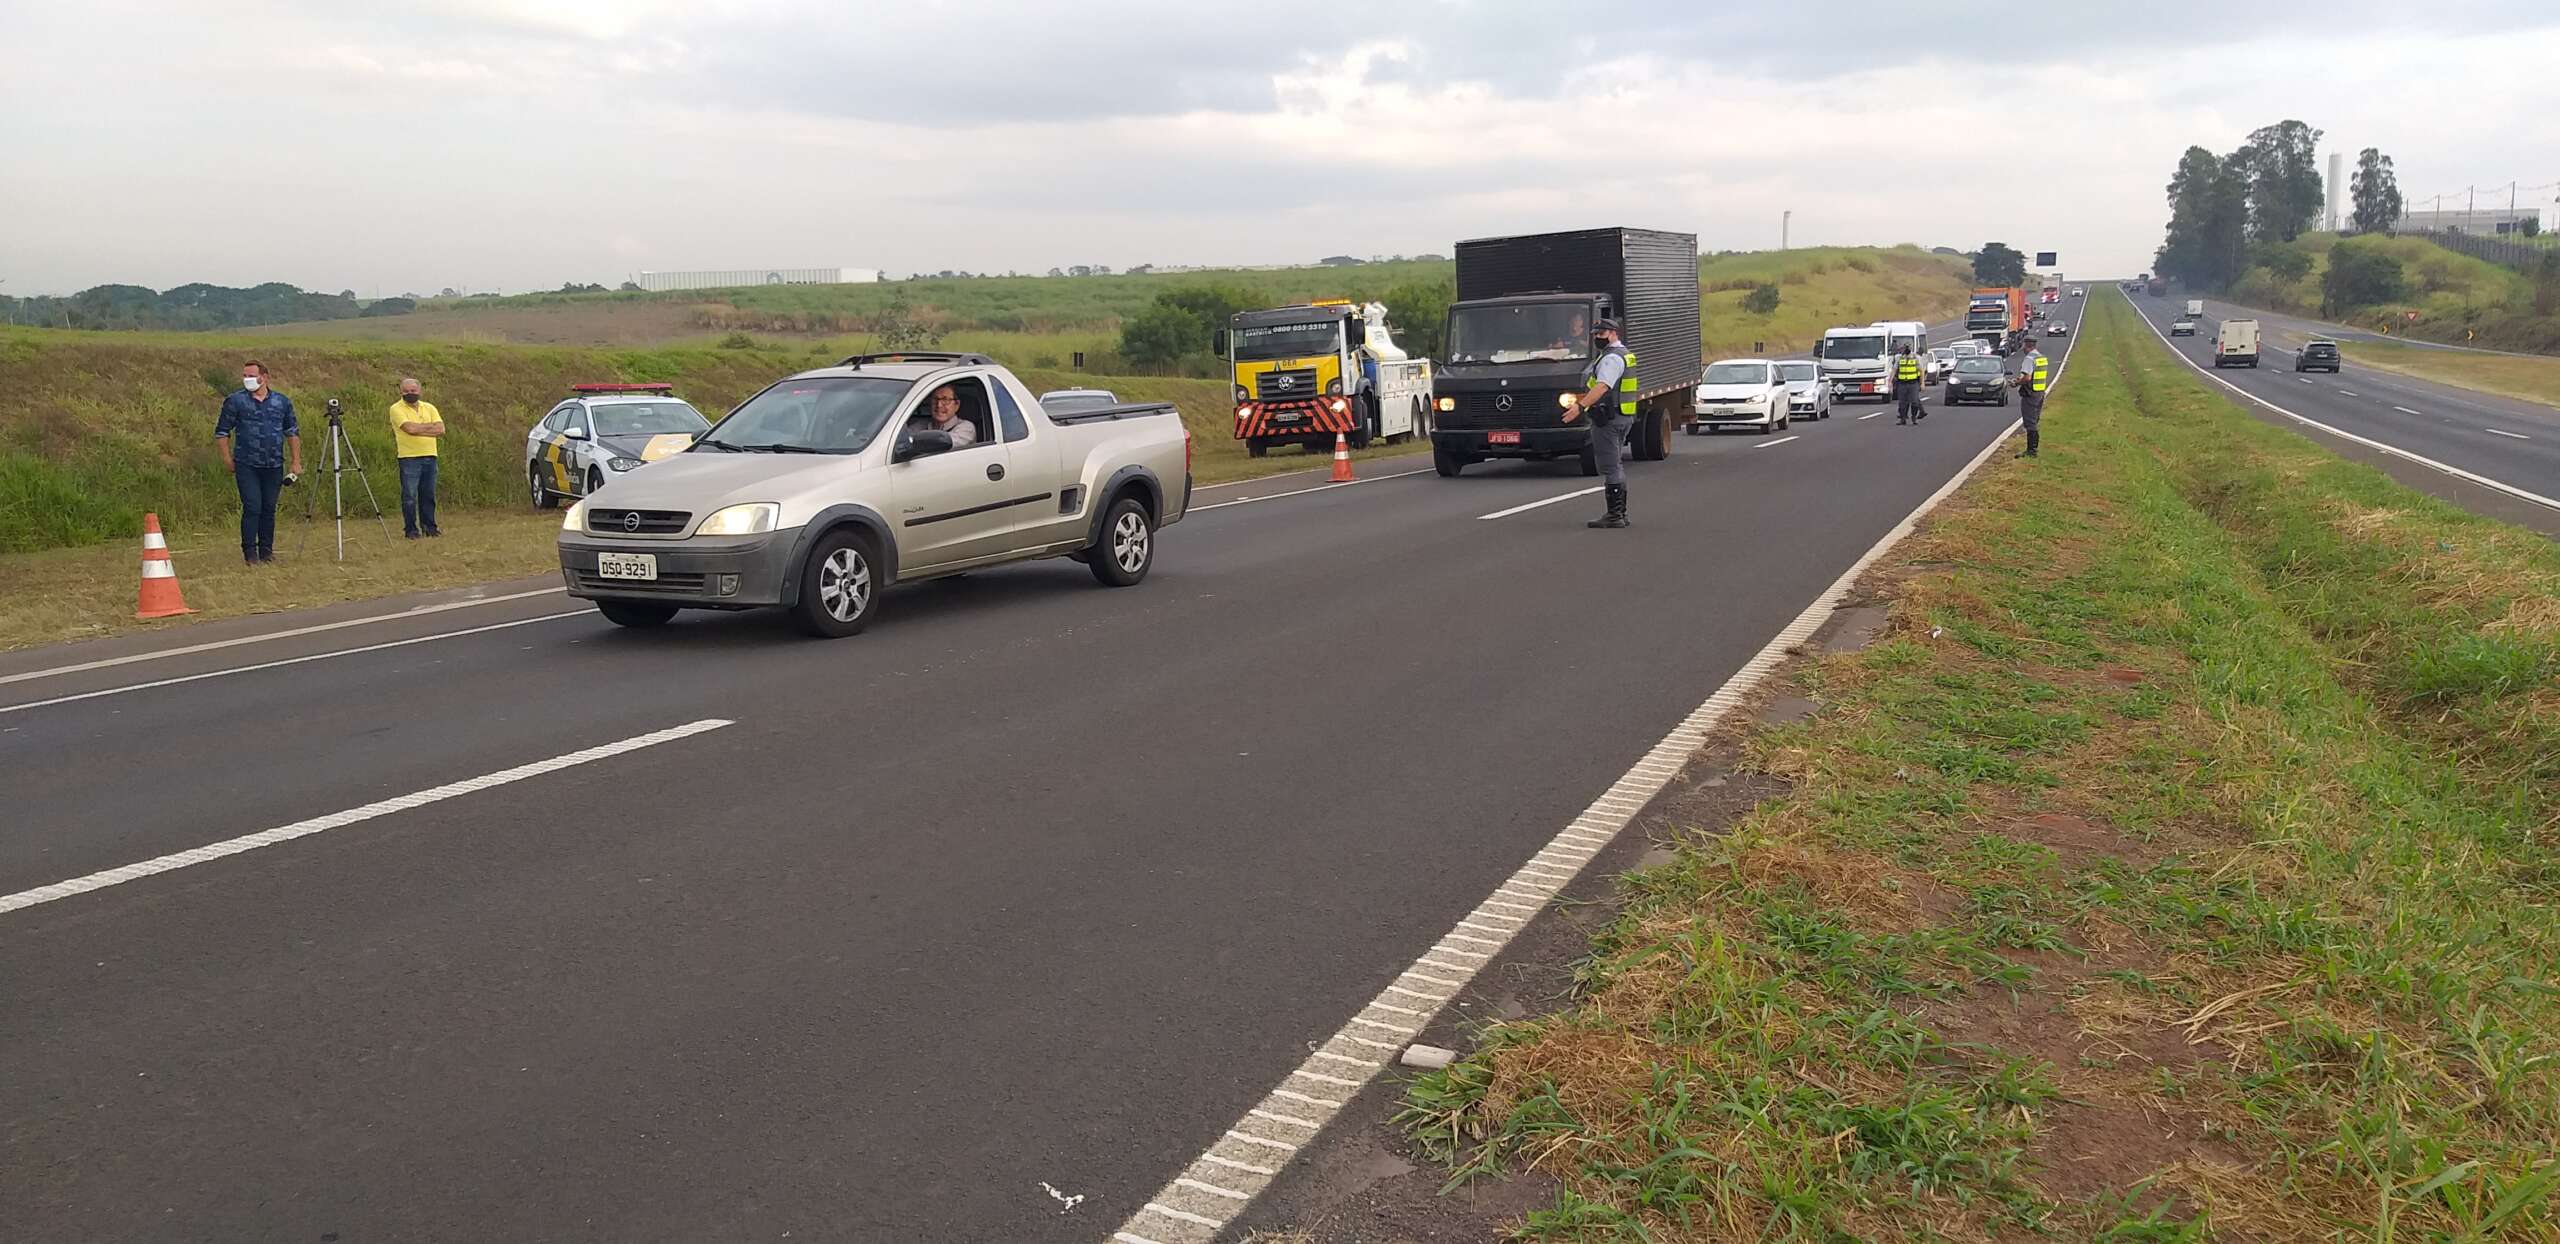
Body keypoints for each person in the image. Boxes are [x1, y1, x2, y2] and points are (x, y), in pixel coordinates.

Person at [213, 361, 302, 564]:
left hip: (273, 463)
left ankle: (266, 550)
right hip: (247, 463)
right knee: (253, 506)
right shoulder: (235, 401)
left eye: (252, 375)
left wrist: (296, 461)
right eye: (245, 375)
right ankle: (250, 553)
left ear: (265, 376)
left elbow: (292, 432)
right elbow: (222, 432)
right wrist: (227, 458)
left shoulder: (281, 402)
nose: (248, 379)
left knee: (269, 507)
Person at [1561, 318, 1636, 529]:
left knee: (1610, 466)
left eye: (1601, 334)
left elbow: (1603, 387)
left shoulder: (1611, 359)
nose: (1596, 338)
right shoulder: (1622, 354)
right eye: (1595, 334)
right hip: (1623, 415)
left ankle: (1615, 515)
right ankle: (1620, 513)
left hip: (1608, 418)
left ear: (1613, 333)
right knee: (1616, 465)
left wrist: (1580, 406)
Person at [389, 377, 444, 538]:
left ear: (419, 391)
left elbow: (441, 429)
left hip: (430, 455)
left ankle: (430, 527)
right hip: (409, 458)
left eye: (412, 391)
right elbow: (409, 428)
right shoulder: (396, 408)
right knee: (410, 496)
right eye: (406, 391)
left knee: (428, 495)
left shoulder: (429, 407)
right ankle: (411, 530)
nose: (409, 394)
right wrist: (429, 427)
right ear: (401, 392)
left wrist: (419, 428)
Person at [904, 384, 979, 449]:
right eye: (935, 399)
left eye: (945, 400)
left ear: (956, 405)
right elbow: (902, 441)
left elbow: (942, 443)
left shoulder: (967, 427)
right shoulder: (920, 425)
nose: (939, 405)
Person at [2011, 341, 2050, 458]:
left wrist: (2016, 382)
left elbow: (2027, 378)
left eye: (2023, 345)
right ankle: (2033, 449)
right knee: (2035, 420)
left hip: (2030, 394)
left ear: (2026, 345)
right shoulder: (2041, 358)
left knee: (2030, 422)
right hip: (2040, 392)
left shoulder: (2029, 359)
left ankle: (2031, 451)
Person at [1892, 343, 1926, 425]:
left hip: (1913, 383)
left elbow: (1921, 371)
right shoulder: (1899, 358)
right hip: (1902, 383)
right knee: (1902, 402)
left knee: (1914, 401)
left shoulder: (1915, 358)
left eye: (1907, 348)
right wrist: (1890, 381)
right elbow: (1894, 370)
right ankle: (1903, 419)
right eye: (1905, 348)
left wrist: (1922, 383)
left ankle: (1914, 417)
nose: (1906, 349)